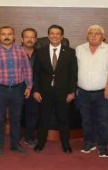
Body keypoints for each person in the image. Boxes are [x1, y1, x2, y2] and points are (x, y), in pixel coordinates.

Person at [0, 26, 33, 155]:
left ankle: (15, 144)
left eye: (9, 34)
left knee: (16, 117)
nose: (7, 37)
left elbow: (27, 69)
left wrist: (29, 86)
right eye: (4, 34)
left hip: (18, 89)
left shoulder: (21, 50)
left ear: (14, 36)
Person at [33, 24, 77, 153]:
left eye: (58, 33)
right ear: (48, 36)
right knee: (43, 119)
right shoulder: (40, 51)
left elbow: (73, 74)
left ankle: (66, 144)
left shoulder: (70, 52)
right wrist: (36, 90)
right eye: (52, 33)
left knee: (64, 119)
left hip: (63, 92)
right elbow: (36, 73)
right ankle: (40, 143)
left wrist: (72, 92)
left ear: (62, 37)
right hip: (44, 91)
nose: (55, 36)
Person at [76, 25, 108, 157]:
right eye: (91, 33)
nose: (93, 35)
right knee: (86, 120)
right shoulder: (79, 49)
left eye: (97, 33)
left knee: (103, 121)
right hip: (83, 92)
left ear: (103, 37)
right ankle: (89, 143)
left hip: (102, 93)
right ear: (87, 36)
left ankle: (103, 146)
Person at [20, 28, 40, 147]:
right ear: (22, 39)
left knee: (33, 112)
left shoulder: (41, 53)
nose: (29, 39)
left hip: (35, 87)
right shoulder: (15, 52)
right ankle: (16, 136)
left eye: (32, 37)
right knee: (17, 112)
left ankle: (29, 136)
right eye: (27, 37)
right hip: (18, 86)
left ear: (36, 39)